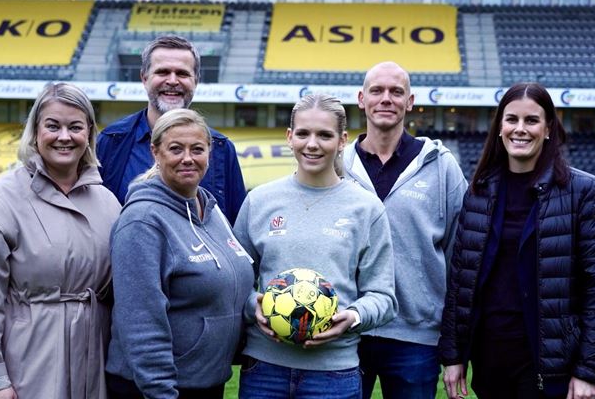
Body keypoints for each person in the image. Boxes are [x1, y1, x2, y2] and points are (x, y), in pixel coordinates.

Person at [440, 82, 595, 399]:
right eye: (511, 120)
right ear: (499, 127)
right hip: (490, 357)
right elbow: (460, 282)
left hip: (549, 361)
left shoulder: (584, 191)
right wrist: (454, 355)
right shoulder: (479, 190)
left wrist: (589, 370)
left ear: (548, 129)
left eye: (531, 120)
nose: (520, 129)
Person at [0, 82, 121, 399]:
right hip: (25, 364)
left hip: (92, 364)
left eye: (76, 127)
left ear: (89, 134)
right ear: (35, 131)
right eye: (52, 126)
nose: (64, 137)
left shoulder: (108, 202)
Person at [234, 93, 397, 399]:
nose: (312, 144)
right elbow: (235, 281)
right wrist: (250, 306)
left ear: (342, 140)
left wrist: (353, 317)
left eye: (324, 135)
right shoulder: (259, 200)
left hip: (333, 374)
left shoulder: (366, 208)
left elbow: (384, 297)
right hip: (264, 369)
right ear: (289, 137)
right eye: (303, 133)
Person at [105, 108, 255, 399]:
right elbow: (141, 320)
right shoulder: (143, 221)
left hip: (207, 382)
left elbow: (231, 284)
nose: (188, 158)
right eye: (176, 148)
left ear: (209, 152)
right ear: (155, 151)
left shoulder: (211, 212)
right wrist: (161, 391)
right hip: (157, 389)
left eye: (197, 149)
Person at [342, 62, 468, 399]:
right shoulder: (336, 165)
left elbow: (461, 261)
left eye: (396, 92)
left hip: (416, 339)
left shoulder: (441, 166)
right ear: (361, 98)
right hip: (346, 332)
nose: (386, 99)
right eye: (377, 91)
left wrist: (455, 344)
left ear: (410, 101)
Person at [97, 34, 246, 223]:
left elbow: (235, 227)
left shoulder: (221, 148)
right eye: (163, 72)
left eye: (182, 74)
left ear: (196, 80)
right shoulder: (112, 141)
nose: (173, 81)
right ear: (144, 78)